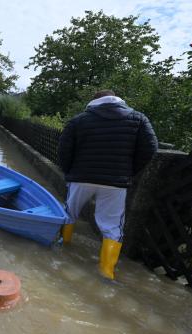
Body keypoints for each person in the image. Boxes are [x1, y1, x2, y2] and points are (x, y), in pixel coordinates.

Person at [58, 90, 158, 280]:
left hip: (81, 177)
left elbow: (64, 149)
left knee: (69, 212)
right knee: (112, 226)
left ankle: (63, 248)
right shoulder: (139, 119)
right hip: (116, 182)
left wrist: (69, 172)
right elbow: (151, 147)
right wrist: (129, 171)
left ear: (93, 102)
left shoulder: (78, 121)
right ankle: (106, 271)